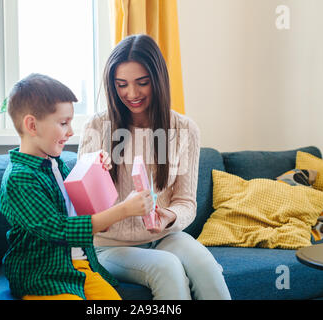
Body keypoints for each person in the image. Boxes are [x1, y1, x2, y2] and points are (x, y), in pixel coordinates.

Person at [78, 34, 231, 300]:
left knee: (207, 267)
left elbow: (186, 202)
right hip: (110, 246)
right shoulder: (96, 128)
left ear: (158, 81)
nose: (132, 94)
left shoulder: (185, 129)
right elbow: (82, 212)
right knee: (167, 267)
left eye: (142, 83)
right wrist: (97, 172)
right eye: (121, 84)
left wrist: (168, 216)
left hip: (166, 235)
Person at [0, 73, 153, 300]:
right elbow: (60, 229)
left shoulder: (57, 164)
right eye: (63, 123)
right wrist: (124, 210)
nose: (71, 132)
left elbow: (81, 210)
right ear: (32, 125)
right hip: (43, 275)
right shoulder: (20, 179)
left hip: (81, 268)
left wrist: (96, 170)